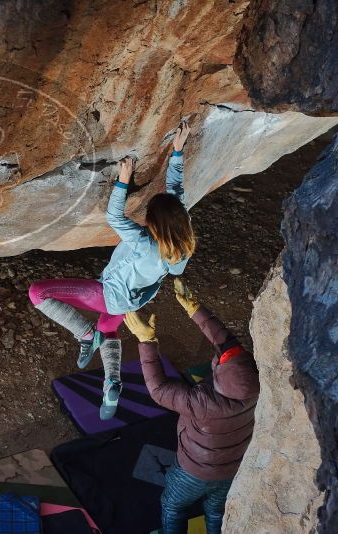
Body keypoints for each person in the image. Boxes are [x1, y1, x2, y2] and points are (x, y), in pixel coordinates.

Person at [28, 120, 194, 419]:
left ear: (155, 225)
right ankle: (112, 383)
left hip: (107, 294)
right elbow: (176, 193)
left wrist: (123, 179)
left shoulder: (143, 241)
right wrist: (178, 151)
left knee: (38, 292)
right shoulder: (181, 243)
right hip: (132, 301)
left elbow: (115, 216)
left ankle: (84, 334)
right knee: (109, 328)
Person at [123, 279, 260, 534]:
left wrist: (146, 341)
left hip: (193, 472)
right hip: (231, 469)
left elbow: (159, 390)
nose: (218, 358)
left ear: (220, 375)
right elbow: (228, 345)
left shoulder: (203, 403)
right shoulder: (256, 386)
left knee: (172, 506)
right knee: (217, 510)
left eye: (219, 362)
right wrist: (196, 310)